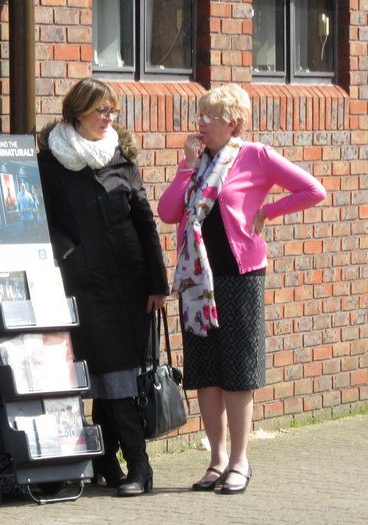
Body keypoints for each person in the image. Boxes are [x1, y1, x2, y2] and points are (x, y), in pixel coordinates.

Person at [158, 83, 326, 494]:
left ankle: (239, 461)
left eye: (209, 116)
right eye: (199, 115)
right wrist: (186, 167)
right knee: (205, 371)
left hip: (240, 277)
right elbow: (168, 212)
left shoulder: (255, 156)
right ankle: (216, 461)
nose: (200, 123)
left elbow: (313, 190)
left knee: (237, 370)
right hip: (198, 281)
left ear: (232, 123)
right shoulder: (196, 162)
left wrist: (268, 210)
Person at [37, 78, 169, 497]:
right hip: (83, 284)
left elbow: (144, 221)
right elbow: (40, 218)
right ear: (78, 112)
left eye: (113, 111)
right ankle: (130, 463)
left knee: (120, 375)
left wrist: (158, 283)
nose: (109, 118)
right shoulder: (51, 162)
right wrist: (69, 253)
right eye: (102, 110)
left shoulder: (120, 157)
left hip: (131, 284)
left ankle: (117, 462)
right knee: (105, 373)